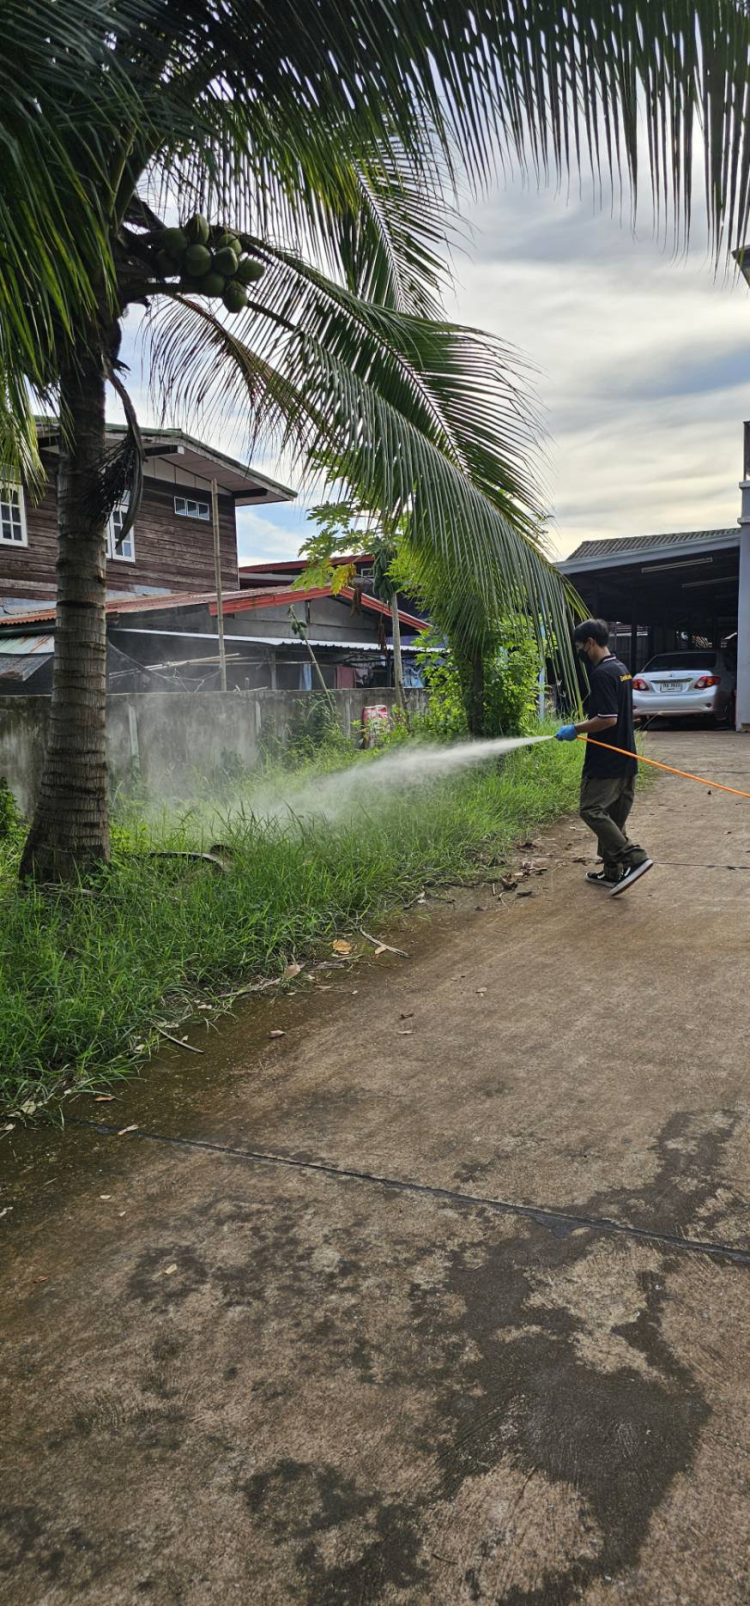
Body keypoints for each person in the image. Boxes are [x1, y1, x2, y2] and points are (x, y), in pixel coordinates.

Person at [555, 620, 652, 895]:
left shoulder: (601, 674)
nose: (580, 652)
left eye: (580, 647)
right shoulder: (621, 669)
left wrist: (575, 729)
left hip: (606, 760)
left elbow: (608, 719)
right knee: (613, 817)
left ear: (590, 642)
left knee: (591, 809)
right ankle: (612, 873)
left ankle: (634, 858)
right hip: (626, 758)